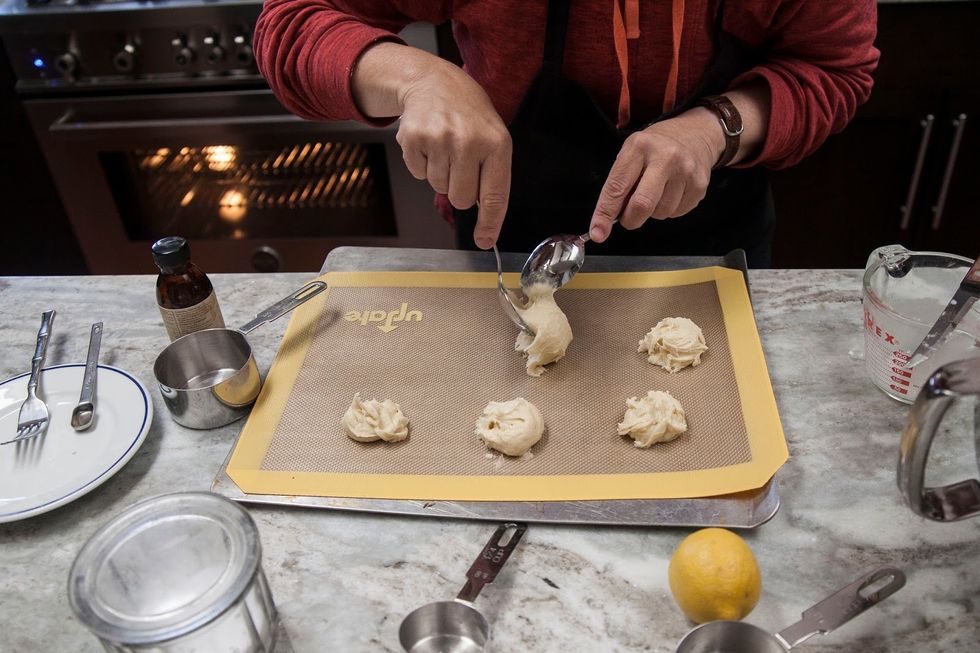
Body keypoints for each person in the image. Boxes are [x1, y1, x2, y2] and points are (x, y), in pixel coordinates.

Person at [254, 0, 879, 267]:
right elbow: (292, 23)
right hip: (510, 239)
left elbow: (833, 67)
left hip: (716, 239)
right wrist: (415, 76)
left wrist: (717, 125)